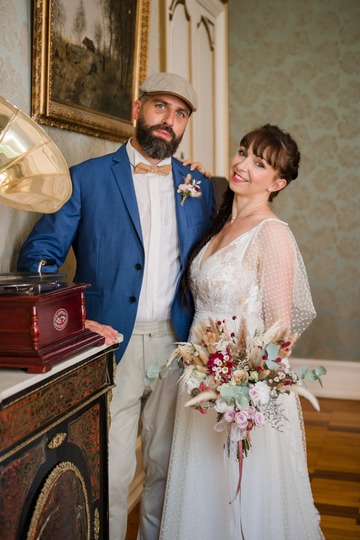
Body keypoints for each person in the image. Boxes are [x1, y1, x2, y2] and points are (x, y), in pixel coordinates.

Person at [17, 72, 217, 540]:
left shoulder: (198, 187)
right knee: (110, 469)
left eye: (181, 113)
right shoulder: (85, 177)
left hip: (177, 344)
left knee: (167, 468)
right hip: (107, 342)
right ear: (137, 109)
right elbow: (38, 256)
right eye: (160, 107)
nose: (169, 120)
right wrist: (76, 319)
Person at [160, 124, 324, 539]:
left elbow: (280, 327)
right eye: (242, 152)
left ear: (278, 182)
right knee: (202, 489)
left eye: (259, 162)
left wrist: (245, 388)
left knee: (239, 495)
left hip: (238, 388)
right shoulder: (220, 222)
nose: (242, 165)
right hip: (199, 376)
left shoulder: (272, 234)